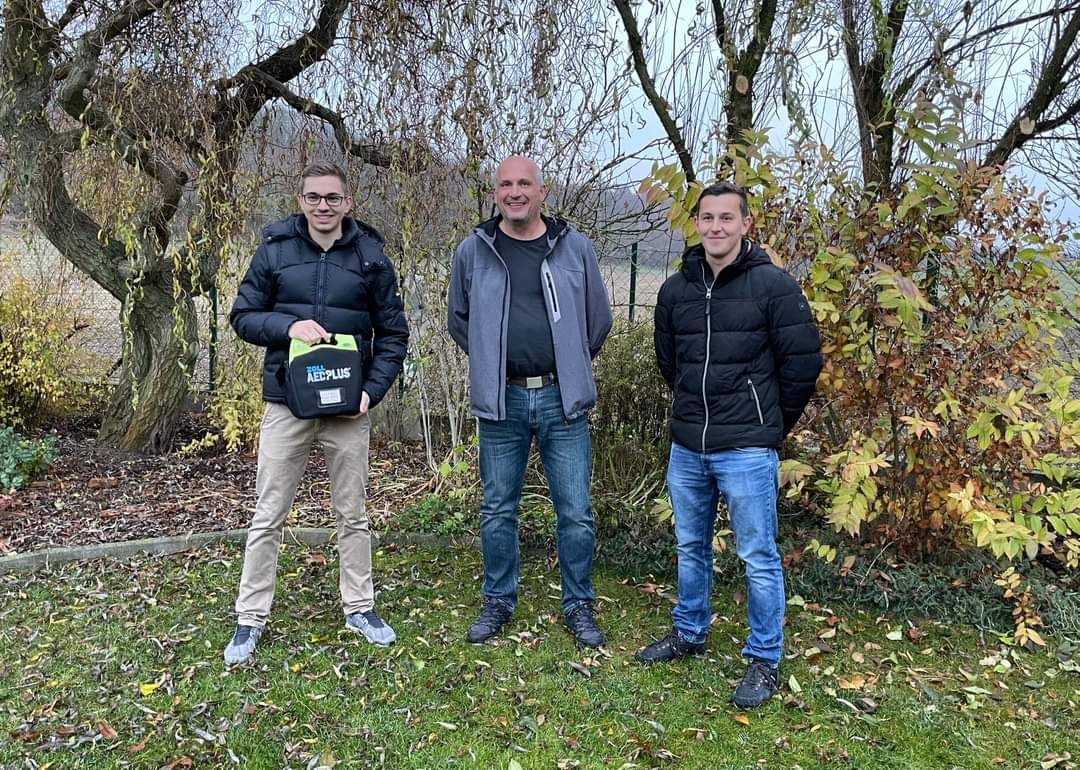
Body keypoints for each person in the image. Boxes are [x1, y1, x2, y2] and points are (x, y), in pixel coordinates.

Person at [638, 181, 822, 709]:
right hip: (688, 445)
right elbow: (669, 364)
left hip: (746, 447)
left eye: (726, 217)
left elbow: (803, 365)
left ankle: (764, 658)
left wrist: (768, 425)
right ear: (696, 224)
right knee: (690, 545)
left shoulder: (775, 287)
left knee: (757, 555)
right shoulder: (677, 291)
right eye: (707, 217)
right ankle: (689, 631)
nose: (716, 227)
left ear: (746, 224)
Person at [223, 161, 409, 665]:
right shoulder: (275, 249)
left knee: (353, 513)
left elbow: (394, 335)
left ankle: (360, 608)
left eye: (332, 197)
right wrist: (288, 327)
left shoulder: (371, 256)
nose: (322, 206)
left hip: (350, 409)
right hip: (288, 403)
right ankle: (250, 617)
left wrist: (372, 391)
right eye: (313, 197)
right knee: (269, 512)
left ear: (348, 202)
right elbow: (242, 315)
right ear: (300, 200)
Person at [447, 155, 613, 648]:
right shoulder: (474, 251)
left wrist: (570, 361)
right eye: (505, 184)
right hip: (503, 400)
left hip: (564, 399)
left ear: (542, 192)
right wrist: (491, 359)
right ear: (495, 193)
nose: (515, 192)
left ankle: (579, 605)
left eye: (525, 183)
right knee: (498, 508)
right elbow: (460, 320)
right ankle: (498, 600)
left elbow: (597, 321)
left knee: (576, 510)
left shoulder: (574, 248)